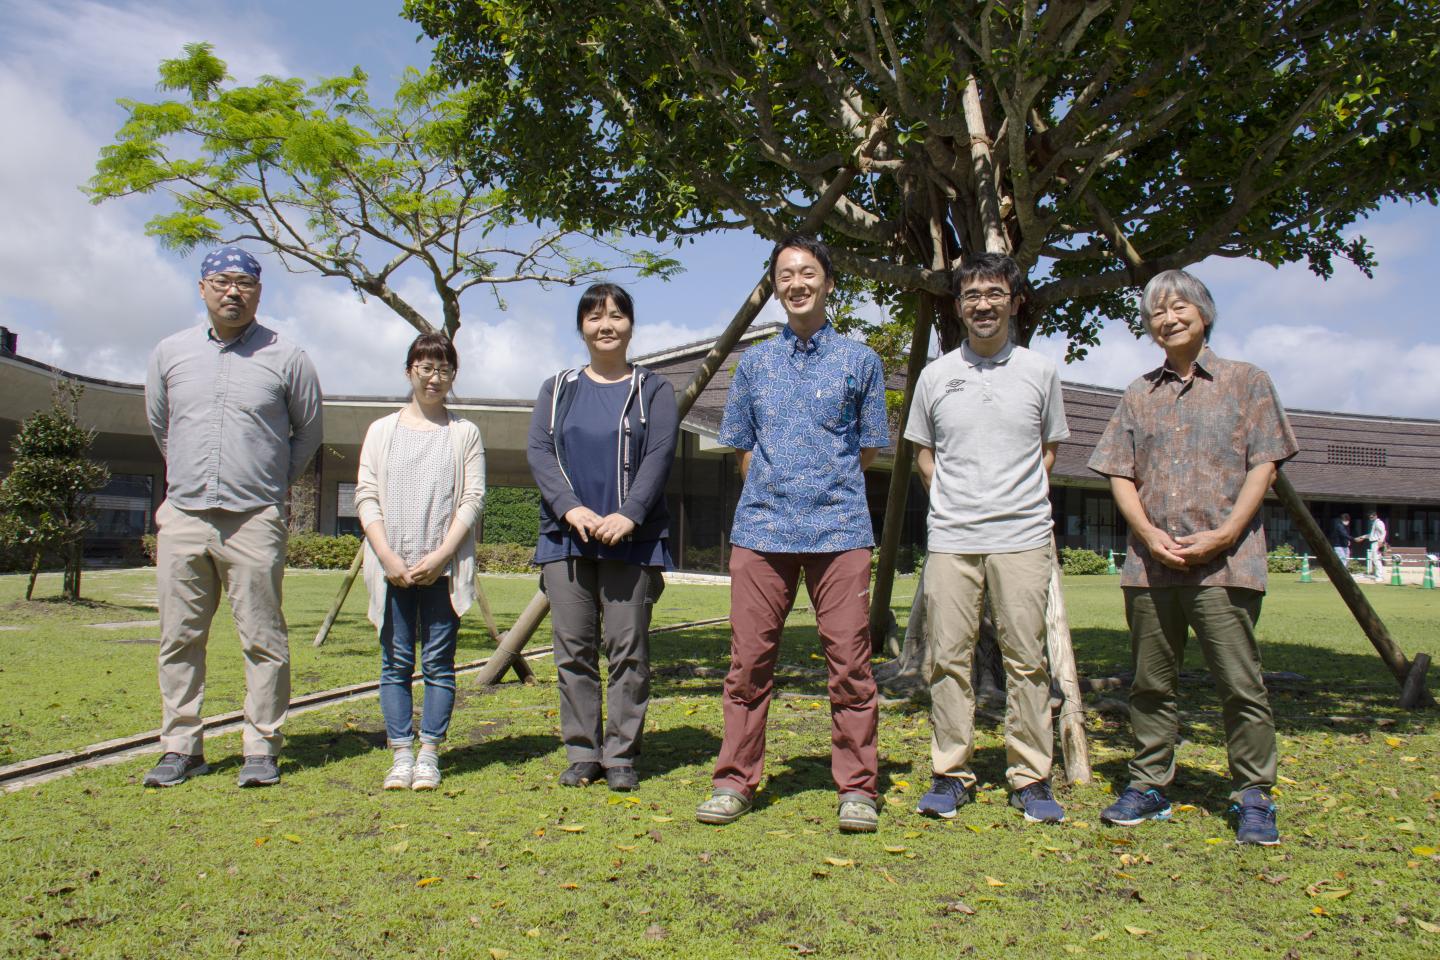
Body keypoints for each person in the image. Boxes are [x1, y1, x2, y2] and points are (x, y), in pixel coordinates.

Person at [1088, 269, 1297, 845]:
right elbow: (1120, 474)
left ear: (1204, 313)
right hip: (1150, 566)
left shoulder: (1246, 381)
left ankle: (1253, 794)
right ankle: (1150, 783)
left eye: (1180, 307)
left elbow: (1265, 463)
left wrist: (1226, 533)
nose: (1169, 318)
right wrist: (1148, 533)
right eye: (1157, 312)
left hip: (1226, 565)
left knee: (1240, 684)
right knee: (1151, 684)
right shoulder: (1137, 392)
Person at [695, 235, 890, 833]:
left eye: (808, 272)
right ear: (775, 286)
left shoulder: (861, 361)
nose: (797, 283)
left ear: (829, 282)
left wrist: (819, 489)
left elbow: (867, 448)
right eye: (786, 274)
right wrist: (778, 495)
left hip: (840, 530)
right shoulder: (752, 362)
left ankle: (857, 787)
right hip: (761, 531)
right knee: (748, 663)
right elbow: (744, 450)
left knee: (850, 663)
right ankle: (734, 781)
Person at [142, 246, 323, 788]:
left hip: (253, 519)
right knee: (178, 637)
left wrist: (270, 490)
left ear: (259, 293)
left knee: (264, 638)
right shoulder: (169, 353)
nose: (232, 291)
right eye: (221, 280)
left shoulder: (287, 357)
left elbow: (307, 434)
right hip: (184, 516)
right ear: (202, 288)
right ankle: (180, 746)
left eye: (244, 282)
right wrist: (182, 487)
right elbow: (161, 426)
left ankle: (261, 747)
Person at [905, 253, 1070, 824]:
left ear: (1014, 301)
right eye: (971, 295)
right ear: (958, 306)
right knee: (947, 658)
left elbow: (1048, 451)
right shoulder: (935, 375)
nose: (982, 304)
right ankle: (950, 772)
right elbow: (924, 454)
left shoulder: (1040, 372)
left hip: (1022, 537)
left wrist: (1012, 501)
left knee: (1027, 660)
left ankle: (1031, 776)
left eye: (994, 293)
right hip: (951, 538)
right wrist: (956, 500)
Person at [527, 283, 678, 791]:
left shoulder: (653, 389)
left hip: (630, 541)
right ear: (581, 327)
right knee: (572, 648)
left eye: (616, 315)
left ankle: (620, 756)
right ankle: (582, 752)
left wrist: (629, 515)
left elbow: (659, 454)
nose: (605, 325)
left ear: (631, 325)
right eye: (594, 317)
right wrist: (571, 510)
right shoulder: (558, 389)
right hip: (566, 537)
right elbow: (541, 454)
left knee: (627, 647)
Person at [355, 333, 485, 791]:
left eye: (444, 369)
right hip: (391, 568)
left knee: (438, 663)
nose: (434, 377)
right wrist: (387, 555)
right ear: (409, 369)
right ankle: (400, 754)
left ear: (453, 375)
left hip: (442, 569)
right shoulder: (381, 431)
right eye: (425, 367)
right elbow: (366, 496)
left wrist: (443, 554)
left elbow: (472, 498)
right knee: (394, 662)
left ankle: (429, 754)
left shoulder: (464, 432)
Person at [1365, 511, 1388, 579]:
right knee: (1375, 559)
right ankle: (1379, 575)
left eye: (1371, 516)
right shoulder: (1374, 523)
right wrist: (1362, 537)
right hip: (1374, 542)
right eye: (1369, 517)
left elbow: (1383, 532)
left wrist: (1380, 542)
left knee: (1376, 559)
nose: (1370, 518)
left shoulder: (1378, 523)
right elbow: (1372, 535)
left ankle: (1380, 576)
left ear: (1375, 516)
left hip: (1377, 542)